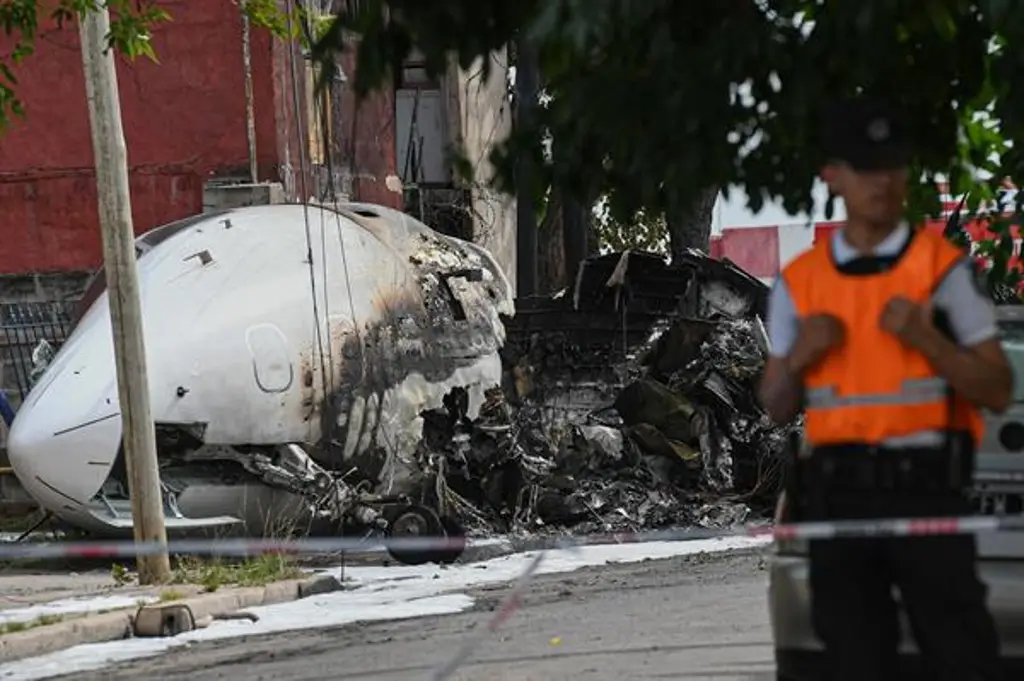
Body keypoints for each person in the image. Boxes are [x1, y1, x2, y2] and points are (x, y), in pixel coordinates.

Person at [757, 96, 1013, 681]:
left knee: (961, 659)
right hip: (839, 505)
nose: (884, 181)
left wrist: (931, 341)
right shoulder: (802, 283)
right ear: (834, 176)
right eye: (866, 166)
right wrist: (800, 357)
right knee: (850, 662)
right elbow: (772, 405)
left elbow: (997, 388)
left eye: (894, 165)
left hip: (927, 499)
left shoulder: (945, 274)